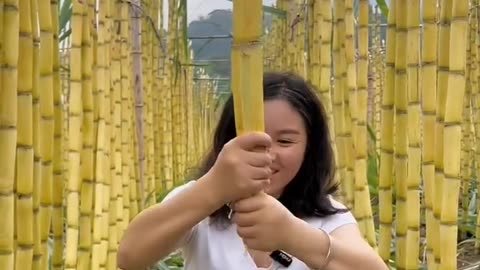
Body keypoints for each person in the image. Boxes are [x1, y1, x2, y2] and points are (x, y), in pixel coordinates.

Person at [117, 72, 388, 270]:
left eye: (285, 141)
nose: (266, 154)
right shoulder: (200, 206)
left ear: (309, 148)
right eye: (250, 139)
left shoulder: (327, 218)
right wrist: (215, 188)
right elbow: (130, 255)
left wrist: (292, 234)